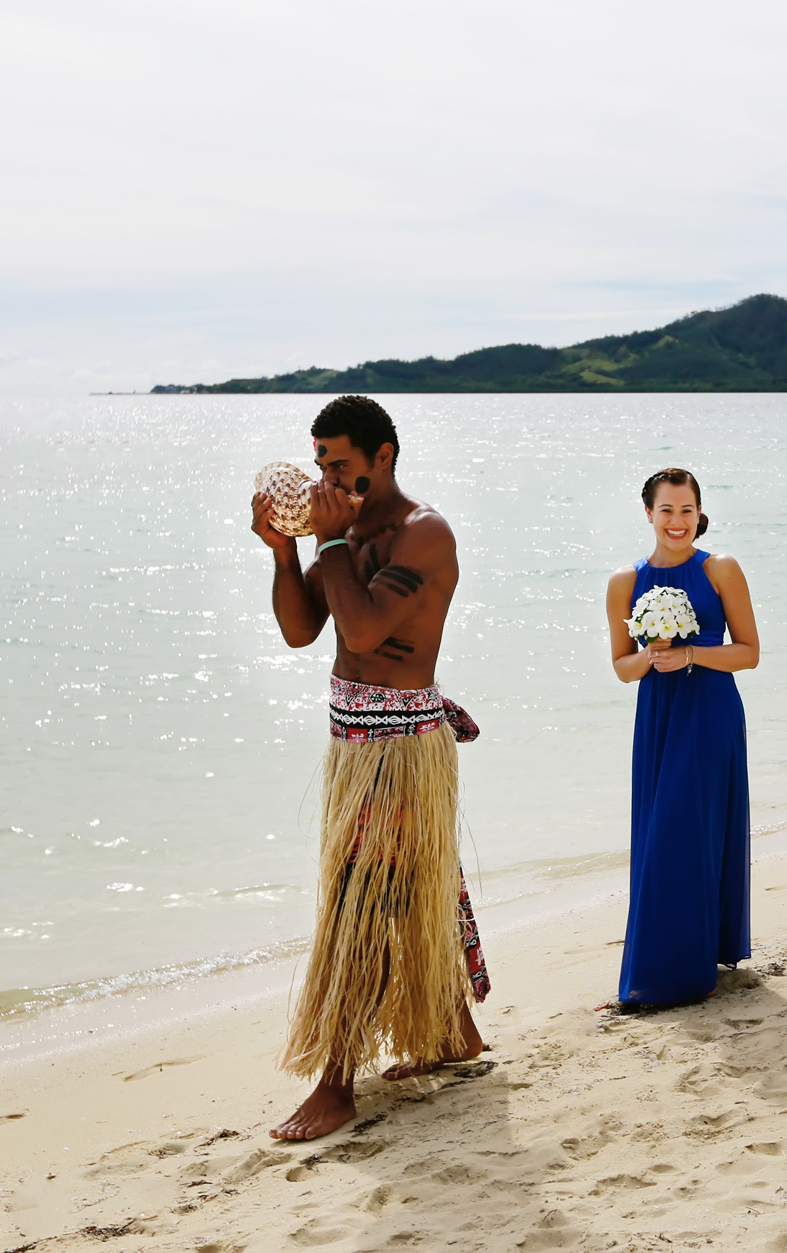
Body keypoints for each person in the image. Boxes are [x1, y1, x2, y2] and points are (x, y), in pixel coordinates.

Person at [250, 395, 489, 1142]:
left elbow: (362, 626)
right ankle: (454, 1033)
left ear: (383, 456)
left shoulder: (424, 534)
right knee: (414, 884)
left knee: (360, 897)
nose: (326, 477)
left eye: (340, 464)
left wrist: (326, 540)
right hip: (354, 742)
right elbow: (301, 631)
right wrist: (285, 550)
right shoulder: (341, 533)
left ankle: (335, 1084)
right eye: (320, 463)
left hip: (401, 747)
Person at [605, 469, 759, 1006]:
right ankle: (670, 963)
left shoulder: (721, 569)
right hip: (659, 717)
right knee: (660, 837)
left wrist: (691, 654)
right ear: (648, 513)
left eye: (687, 510)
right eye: (667, 510)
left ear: (699, 513)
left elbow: (749, 652)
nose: (677, 521)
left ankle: (687, 969)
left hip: (711, 713)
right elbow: (623, 668)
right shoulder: (625, 581)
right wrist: (651, 655)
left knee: (690, 832)